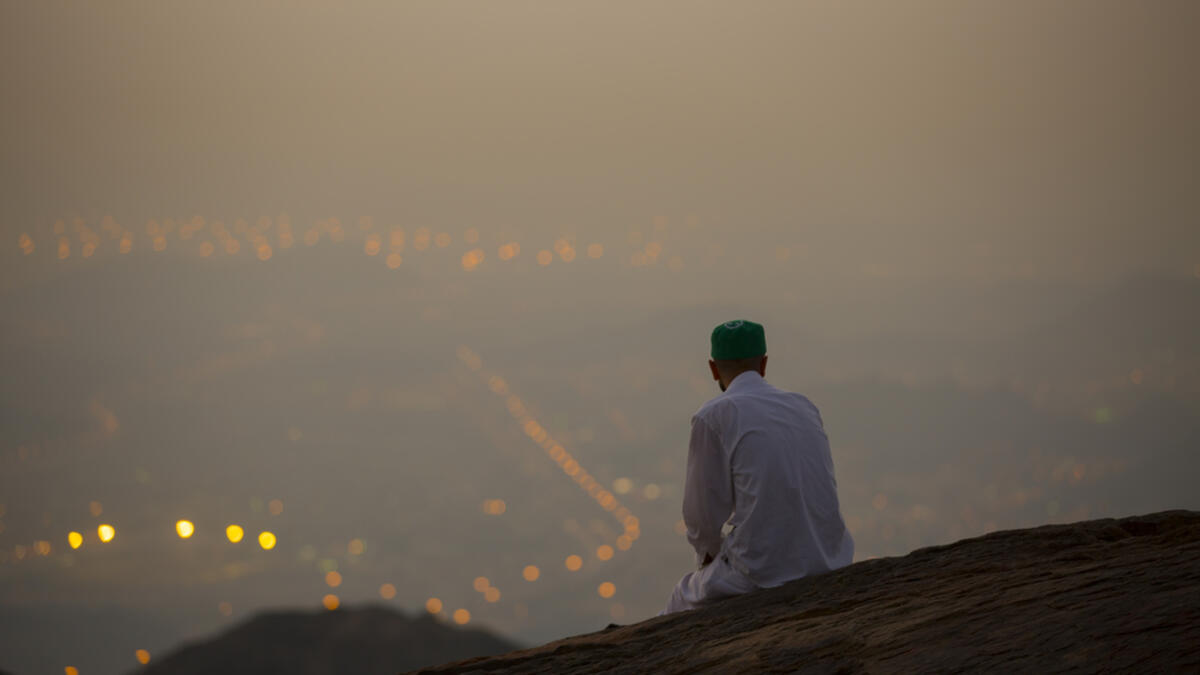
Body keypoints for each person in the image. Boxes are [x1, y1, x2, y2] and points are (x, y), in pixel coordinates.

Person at [660, 319, 854, 615]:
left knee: (680, 598)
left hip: (764, 572)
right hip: (831, 558)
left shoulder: (713, 416)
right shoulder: (803, 406)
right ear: (763, 364)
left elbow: (701, 514)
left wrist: (709, 557)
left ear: (713, 369)